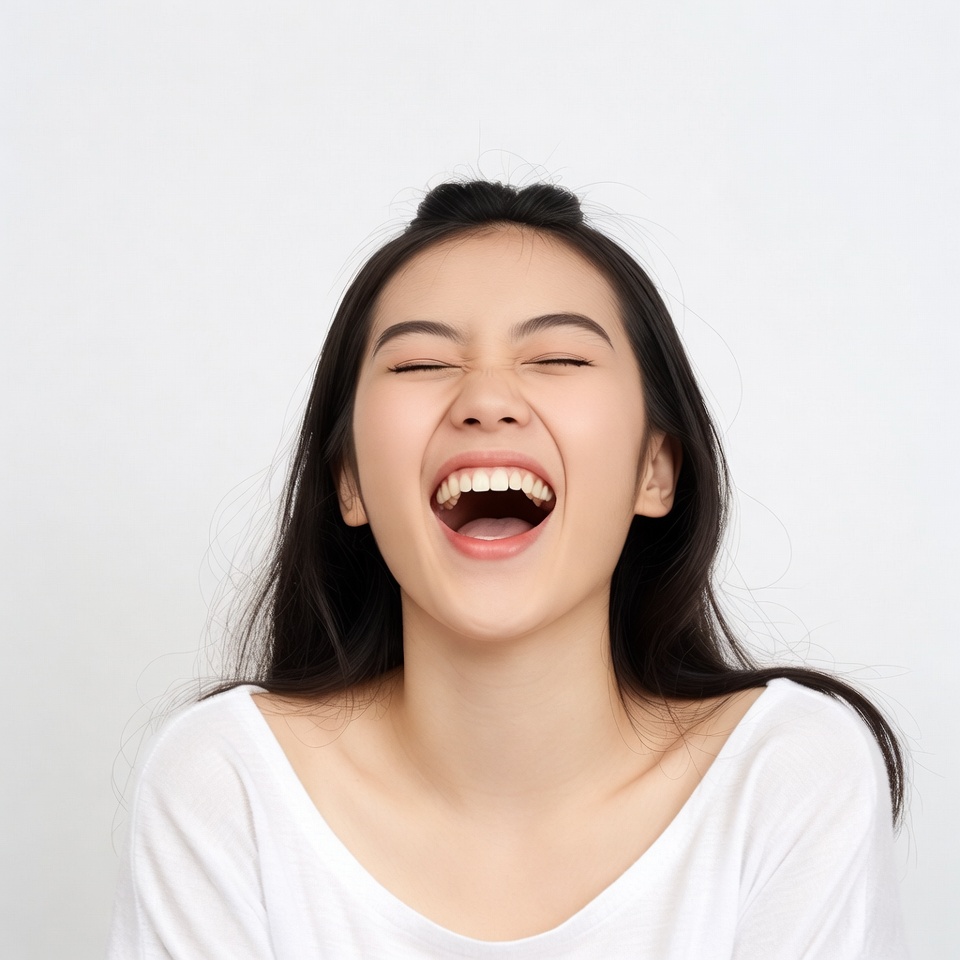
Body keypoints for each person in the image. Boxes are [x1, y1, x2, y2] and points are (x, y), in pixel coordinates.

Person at [107, 180, 908, 958]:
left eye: (558, 357)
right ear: (349, 478)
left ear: (654, 471)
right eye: (421, 364)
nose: (487, 399)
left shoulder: (788, 773)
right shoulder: (227, 783)